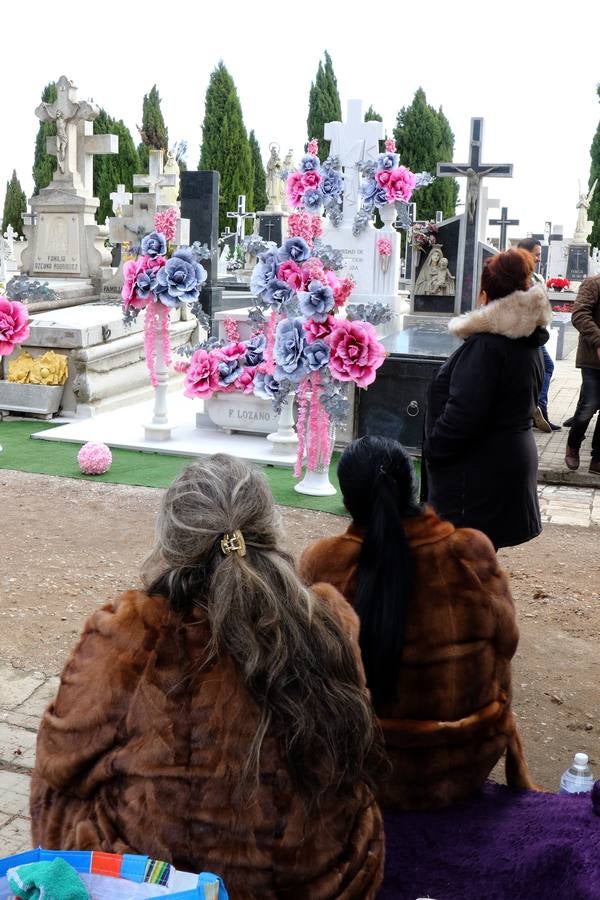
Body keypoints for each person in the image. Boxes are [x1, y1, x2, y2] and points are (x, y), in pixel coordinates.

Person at [30, 456, 384, 898]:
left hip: (166, 887)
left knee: (57, 789)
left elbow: (58, 759)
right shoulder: (328, 620)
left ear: (171, 540)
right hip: (320, 881)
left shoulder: (129, 633)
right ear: (269, 530)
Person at [299, 436, 536, 812]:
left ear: (347, 502)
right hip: (470, 760)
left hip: (376, 773)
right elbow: (507, 643)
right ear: (413, 486)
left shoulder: (325, 563)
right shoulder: (470, 551)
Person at [423, 248, 552, 549]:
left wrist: (434, 448)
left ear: (484, 296)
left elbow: (464, 414)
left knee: (464, 570)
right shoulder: (525, 341)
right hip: (503, 463)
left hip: (477, 474)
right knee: (478, 565)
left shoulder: (486, 347)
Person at [518, 237, 560, 431]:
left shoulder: (535, 276)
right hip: (524, 334)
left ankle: (537, 408)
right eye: (537, 254)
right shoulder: (517, 274)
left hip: (534, 333)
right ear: (525, 253)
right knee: (545, 367)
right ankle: (537, 407)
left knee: (543, 368)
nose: (539, 259)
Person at [564, 273, 600, 474]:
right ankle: (573, 444)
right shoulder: (593, 284)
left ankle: (597, 459)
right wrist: (598, 340)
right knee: (589, 405)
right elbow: (579, 314)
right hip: (593, 359)